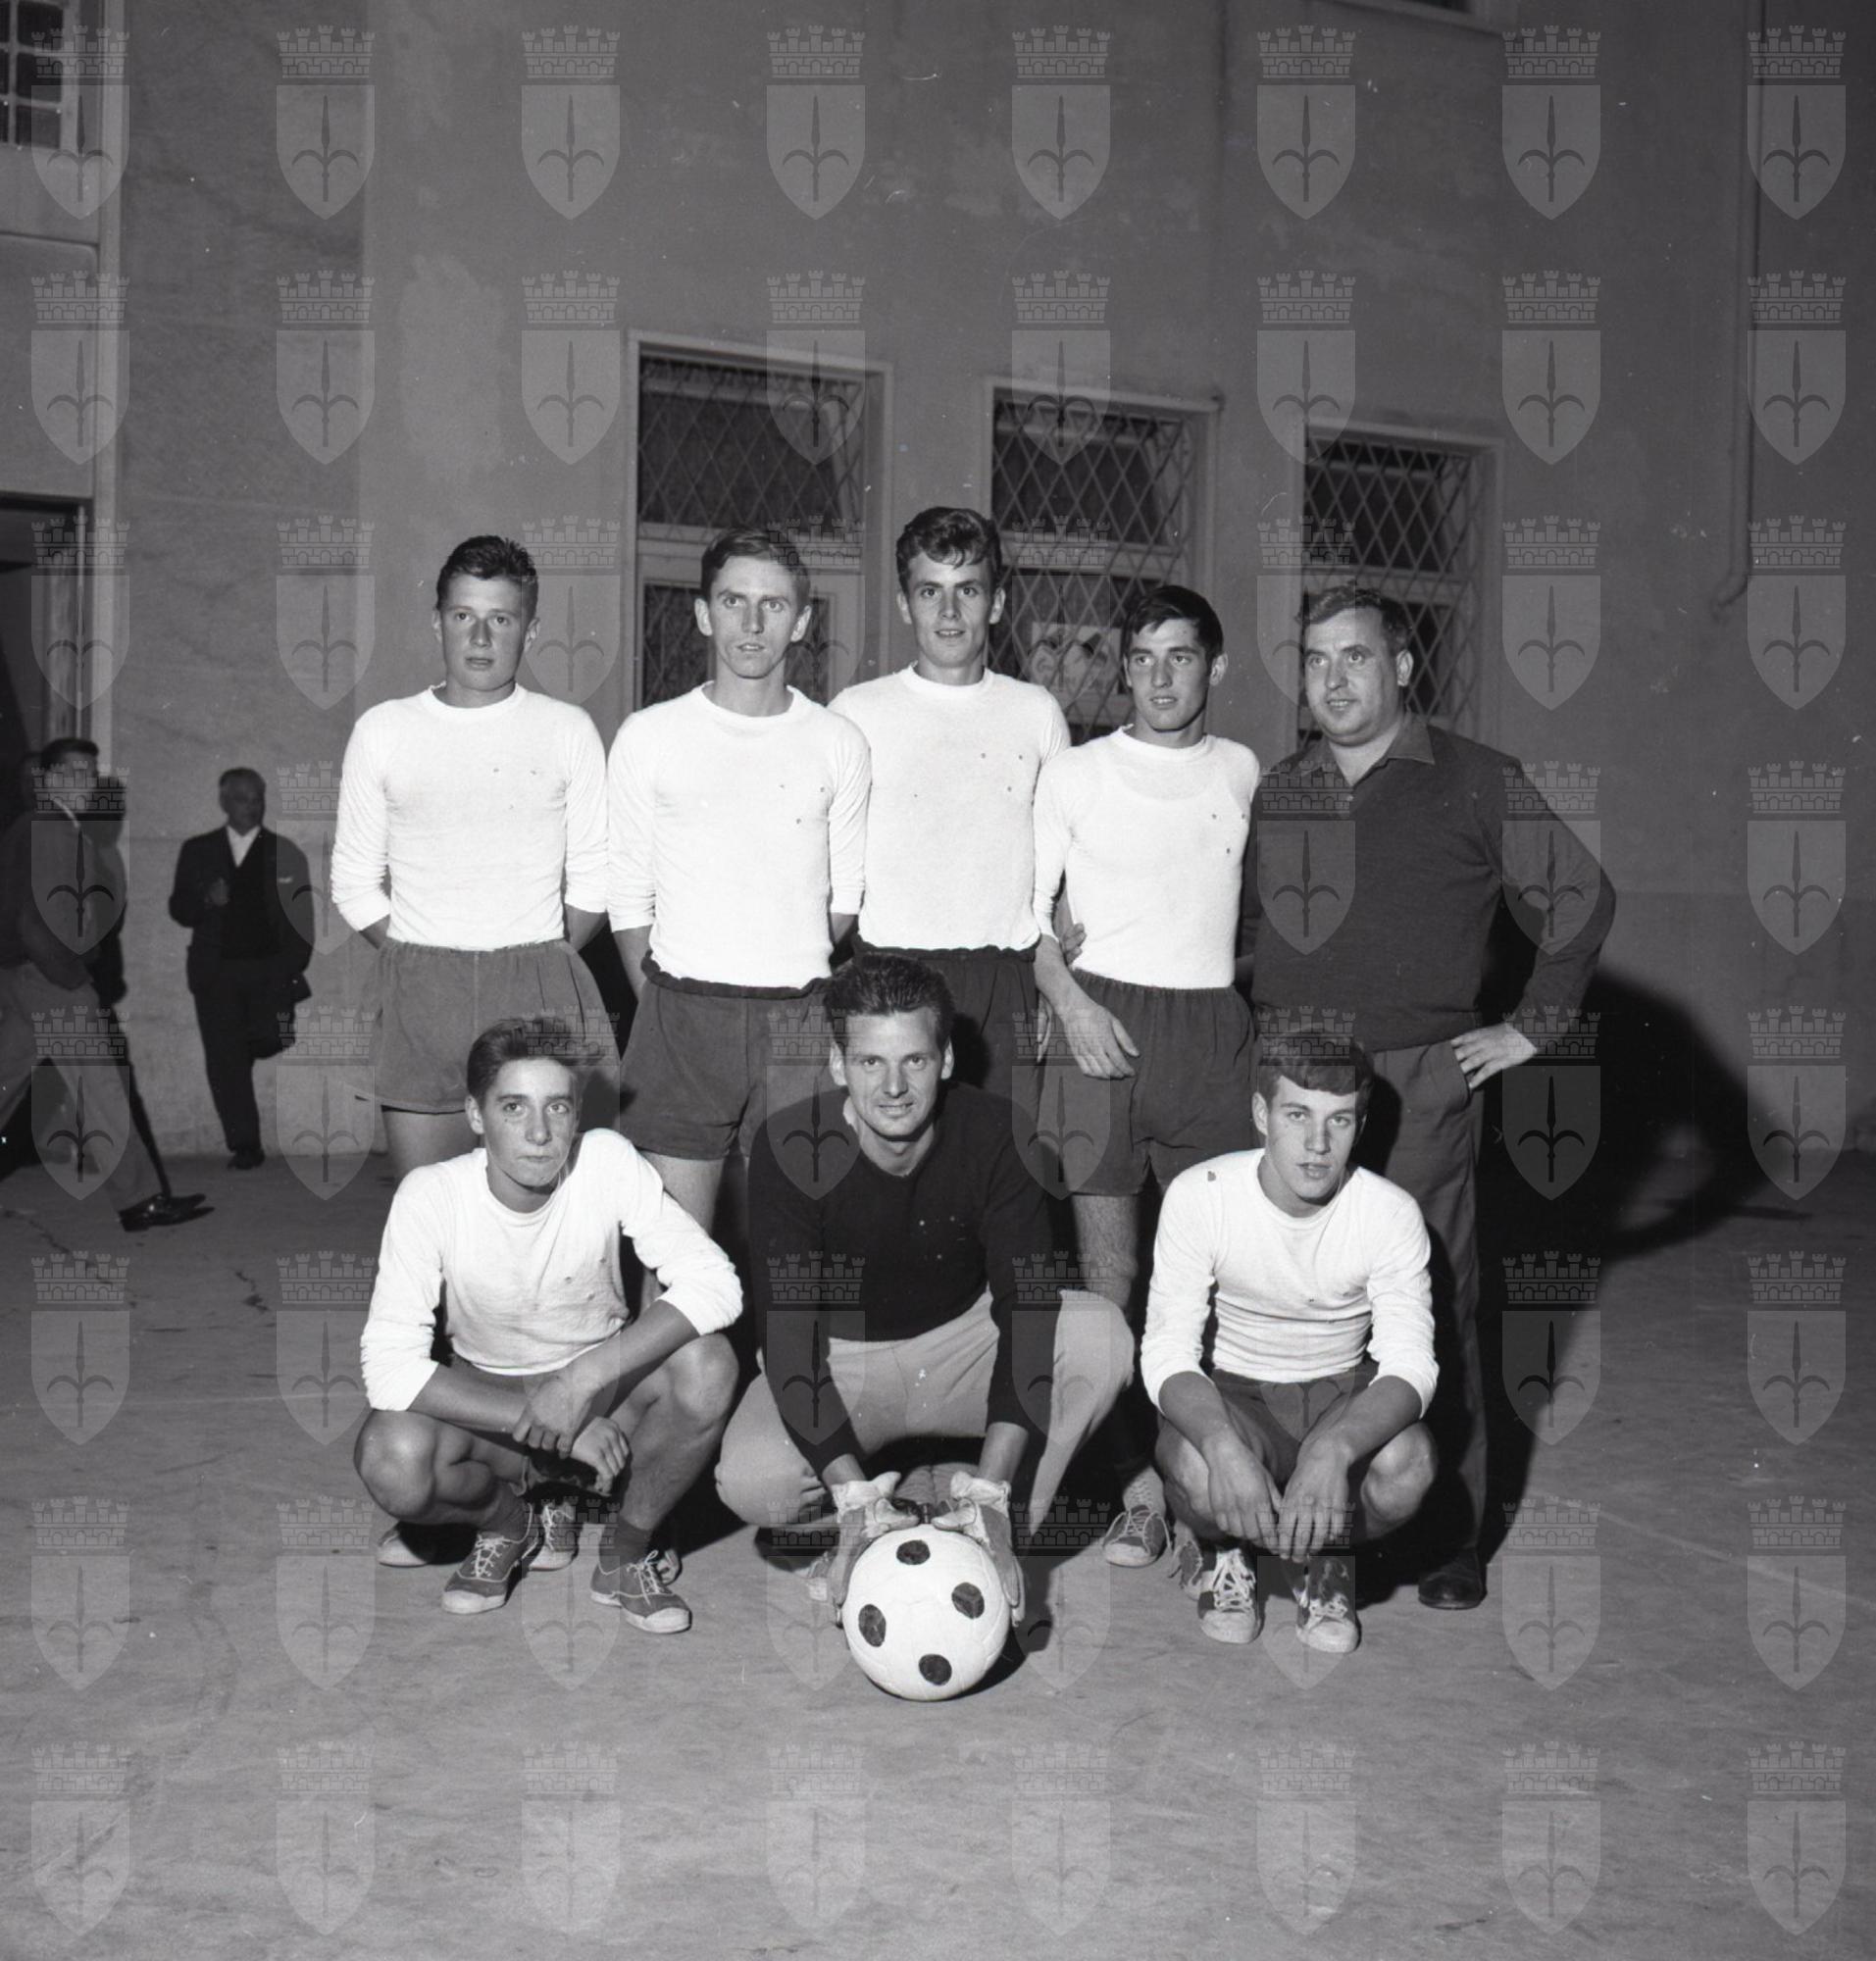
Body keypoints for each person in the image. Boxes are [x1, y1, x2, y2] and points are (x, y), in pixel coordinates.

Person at [1242, 584, 1616, 1609]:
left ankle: (1448, 1532)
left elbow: (1581, 898)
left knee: (1429, 1302)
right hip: (1293, 1077)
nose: (1332, 680)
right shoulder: (1281, 787)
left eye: (1355, 657)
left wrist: (1531, 1025)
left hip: (1416, 1081)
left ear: (1402, 667)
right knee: (1291, 1297)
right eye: (1315, 659)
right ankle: (1299, 1511)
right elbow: (1249, 931)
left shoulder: (1476, 779)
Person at [715, 953, 1134, 1614]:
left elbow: (1026, 1310)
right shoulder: (790, 1144)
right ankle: (876, 1515)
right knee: (752, 1482)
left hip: (962, 1343)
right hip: (842, 1362)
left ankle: (990, 1520)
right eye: (870, 1062)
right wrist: (852, 1496)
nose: (893, 1087)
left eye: (913, 1059)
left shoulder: (1000, 1132)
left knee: (1099, 1336)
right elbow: (788, 1339)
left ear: (945, 1060)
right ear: (837, 1065)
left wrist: (991, 1491)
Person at [355, 1016, 742, 1627]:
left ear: (576, 1113)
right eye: (514, 1107)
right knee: (391, 1458)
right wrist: (555, 1425)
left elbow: (717, 1283)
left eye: (557, 1107)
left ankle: (626, 1551)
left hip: (602, 1389)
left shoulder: (606, 1161)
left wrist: (579, 1383)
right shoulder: (431, 1196)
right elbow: (388, 1368)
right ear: (476, 1114)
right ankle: (509, 1523)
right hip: (491, 1402)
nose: (539, 1133)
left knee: (708, 1366)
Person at [1029, 584, 1259, 1567]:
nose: (1158, 678)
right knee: (1109, 1281)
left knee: (1220, 1275)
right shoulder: (1075, 771)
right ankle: (1134, 1489)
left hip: (1207, 1032)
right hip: (1098, 1030)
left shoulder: (1242, 770)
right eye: (1140, 658)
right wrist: (1074, 1006)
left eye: (1180, 657)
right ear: (1120, 668)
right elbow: (1026, 918)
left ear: (1215, 667)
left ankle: (1218, 1497)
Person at [607, 526, 870, 1237]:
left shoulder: (837, 741)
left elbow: (844, 898)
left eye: (773, 605)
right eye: (733, 601)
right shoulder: (649, 735)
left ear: (802, 622)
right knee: (674, 1250)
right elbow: (627, 896)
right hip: (681, 1013)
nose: (752, 623)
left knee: (795, 1251)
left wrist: (776, 962)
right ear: (703, 613)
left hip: (799, 1017)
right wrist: (669, 998)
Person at [330, 535, 615, 1181]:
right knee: (429, 1203)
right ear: (437, 622)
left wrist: (537, 956)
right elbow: (353, 883)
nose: (480, 637)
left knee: (539, 1201)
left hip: (535, 987)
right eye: (463, 615)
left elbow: (595, 881)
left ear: (530, 631)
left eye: (501, 619)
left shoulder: (566, 729)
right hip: (421, 990)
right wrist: (424, 953)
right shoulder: (384, 729)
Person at [1144, 1031, 1436, 1652]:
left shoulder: (1389, 1213)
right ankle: (1227, 1550)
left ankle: (1328, 1557)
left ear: (1360, 1126)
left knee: (1408, 1466)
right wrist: (1222, 1445)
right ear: (1261, 1114)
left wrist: (1335, 1448)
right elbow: (1167, 1350)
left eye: (1339, 1120)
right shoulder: (1201, 1194)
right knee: (1195, 1465)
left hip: (1338, 1393)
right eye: (1297, 1115)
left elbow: (1411, 1362)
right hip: (1234, 1395)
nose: (1317, 1143)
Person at [828, 508, 1069, 1105]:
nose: (950, 612)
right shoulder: (856, 712)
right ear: (905, 604)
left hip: (1005, 977)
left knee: (1004, 1153)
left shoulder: (1036, 711)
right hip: (889, 977)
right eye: (930, 591)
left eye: (969, 591)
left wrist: (1046, 987)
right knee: (892, 1152)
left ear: (998, 603)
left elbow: (1061, 868)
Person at [0, 737, 206, 1232]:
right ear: (48, 780)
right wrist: (71, 978)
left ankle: (140, 1197)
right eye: (72, 773)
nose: (85, 783)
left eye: (90, 774)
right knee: (102, 1091)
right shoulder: (52, 829)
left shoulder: (36, 826)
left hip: (24, 980)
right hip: (52, 981)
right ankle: (140, 1201)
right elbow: (34, 920)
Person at [167, 768, 314, 1170]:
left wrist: (289, 967)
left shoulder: (284, 852)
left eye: (257, 799)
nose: (251, 807)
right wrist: (207, 900)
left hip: (269, 972)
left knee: (268, 1039)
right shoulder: (198, 850)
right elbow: (179, 909)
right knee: (225, 1059)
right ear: (223, 802)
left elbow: (303, 918)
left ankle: (239, 1064)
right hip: (216, 973)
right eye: (241, 799)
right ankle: (245, 1144)